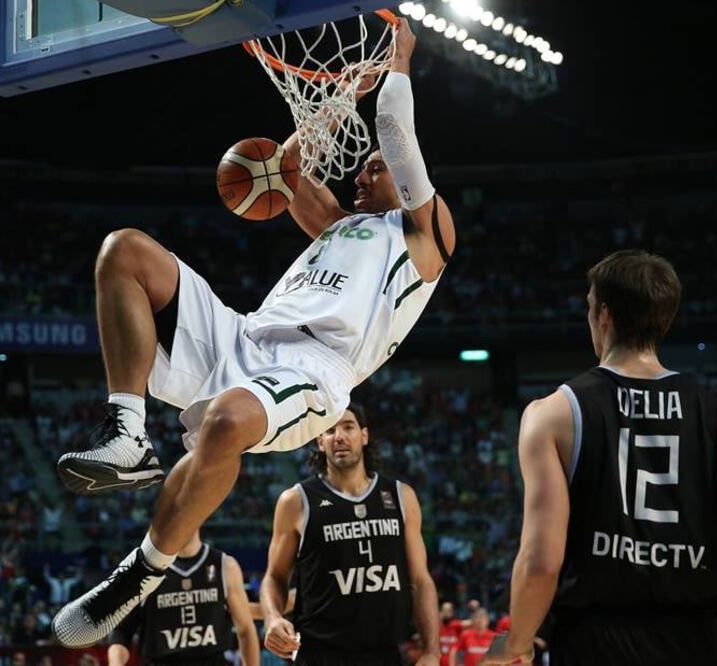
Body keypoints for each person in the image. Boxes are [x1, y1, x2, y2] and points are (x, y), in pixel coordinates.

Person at [52, 19, 455, 648]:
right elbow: (280, 166)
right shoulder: (336, 224)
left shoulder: (425, 235)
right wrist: (342, 93)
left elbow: (396, 134)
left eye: (372, 170)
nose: (360, 175)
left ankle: (142, 572)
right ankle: (127, 430)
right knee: (123, 250)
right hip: (245, 336)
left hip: (314, 368)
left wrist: (398, 61)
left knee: (225, 422)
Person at [484, 250, 717, 665]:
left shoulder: (552, 414)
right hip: (702, 641)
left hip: (595, 644)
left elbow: (542, 560)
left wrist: (517, 644)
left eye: (589, 307)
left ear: (604, 315)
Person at [260, 404, 441, 665]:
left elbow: (421, 581)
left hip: (386, 653)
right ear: (320, 441)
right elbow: (274, 577)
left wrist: (432, 651)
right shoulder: (296, 501)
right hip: (319, 654)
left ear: (364, 436)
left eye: (348, 427)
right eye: (330, 430)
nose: (339, 436)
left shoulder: (401, 496)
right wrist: (272, 617)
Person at [106, 530, 259, 666]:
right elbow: (121, 633)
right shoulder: (144, 570)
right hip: (161, 660)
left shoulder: (225, 565)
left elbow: (246, 629)